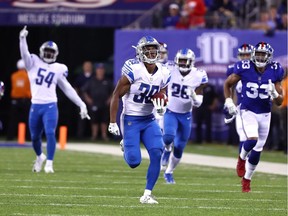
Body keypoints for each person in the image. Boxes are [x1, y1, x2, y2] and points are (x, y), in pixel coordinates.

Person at [108, 36, 171, 204]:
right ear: (140, 52)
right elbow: (116, 94)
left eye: (153, 49)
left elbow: (163, 94)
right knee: (134, 162)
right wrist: (112, 121)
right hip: (131, 120)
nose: (151, 52)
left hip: (149, 119)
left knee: (157, 152)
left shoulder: (164, 72)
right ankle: (125, 145)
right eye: (147, 49)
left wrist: (161, 105)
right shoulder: (133, 69)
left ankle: (147, 194)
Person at [19, 26, 90, 173]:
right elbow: (24, 53)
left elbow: (67, 88)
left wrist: (81, 103)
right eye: (47, 51)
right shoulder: (33, 63)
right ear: (41, 51)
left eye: (51, 52)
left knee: (50, 132)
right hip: (35, 105)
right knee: (34, 137)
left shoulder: (59, 68)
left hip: (50, 105)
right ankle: (40, 157)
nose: (49, 54)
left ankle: (49, 163)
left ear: (56, 54)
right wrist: (22, 39)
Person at [223, 42, 284, 192]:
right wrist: (229, 100)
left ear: (269, 56)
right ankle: (241, 159)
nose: (260, 57)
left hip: (265, 113)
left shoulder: (275, 70)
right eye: (258, 53)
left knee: (258, 150)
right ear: (253, 54)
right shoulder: (244, 67)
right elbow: (227, 84)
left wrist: (275, 94)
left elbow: (280, 101)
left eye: (263, 54)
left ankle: (247, 180)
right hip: (248, 110)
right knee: (251, 139)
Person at [161, 48, 208, 183]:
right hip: (170, 111)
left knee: (180, 146)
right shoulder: (169, 68)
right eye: (180, 60)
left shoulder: (199, 75)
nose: (182, 63)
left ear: (191, 62)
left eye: (184, 61)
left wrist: (193, 96)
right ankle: (167, 149)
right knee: (168, 136)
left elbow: (198, 103)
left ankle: (169, 172)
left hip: (186, 115)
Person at [225, 43, 253, 151]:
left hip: (255, 109)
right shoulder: (234, 69)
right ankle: (243, 164)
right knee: (242, 135)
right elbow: (230, 87)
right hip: (241, 108)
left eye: (248, 55)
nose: (245, 58)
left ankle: (249, 163)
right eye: (243, 55)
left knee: (253, 139)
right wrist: (228, 102)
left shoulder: (257, 69)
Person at [82, 63, 113, 141]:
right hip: (94, 103)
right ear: (96, 71)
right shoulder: (91, 81)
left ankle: (104, 135)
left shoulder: (107, 81)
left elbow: (113, 92)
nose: (100, 71)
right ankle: (94, 135)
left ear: (104, 71)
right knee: (94, 120)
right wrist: (88, 99)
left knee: (104, 120)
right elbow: (84, 91)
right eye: (99, 69)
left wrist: (110, 99)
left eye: (102, 69)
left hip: (105, 103)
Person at [6, 59, 32, 141]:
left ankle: (10, 137)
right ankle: (29, 137)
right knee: (28, 120)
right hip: (26, 100)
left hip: (15, 101)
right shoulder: (28, 75)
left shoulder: (13, 76)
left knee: (13, 120)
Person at [73, 61, 93, 139]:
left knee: (93, 118)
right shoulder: (79, 77)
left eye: (89, 66)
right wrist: (77, 98)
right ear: (83, 67)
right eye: (86, 66)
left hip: (92, 100)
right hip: (82, 100)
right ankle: (80, 134)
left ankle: (93, 135)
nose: (87, 67)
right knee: (81, 117)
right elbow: (76, 88)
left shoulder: (94, 77)